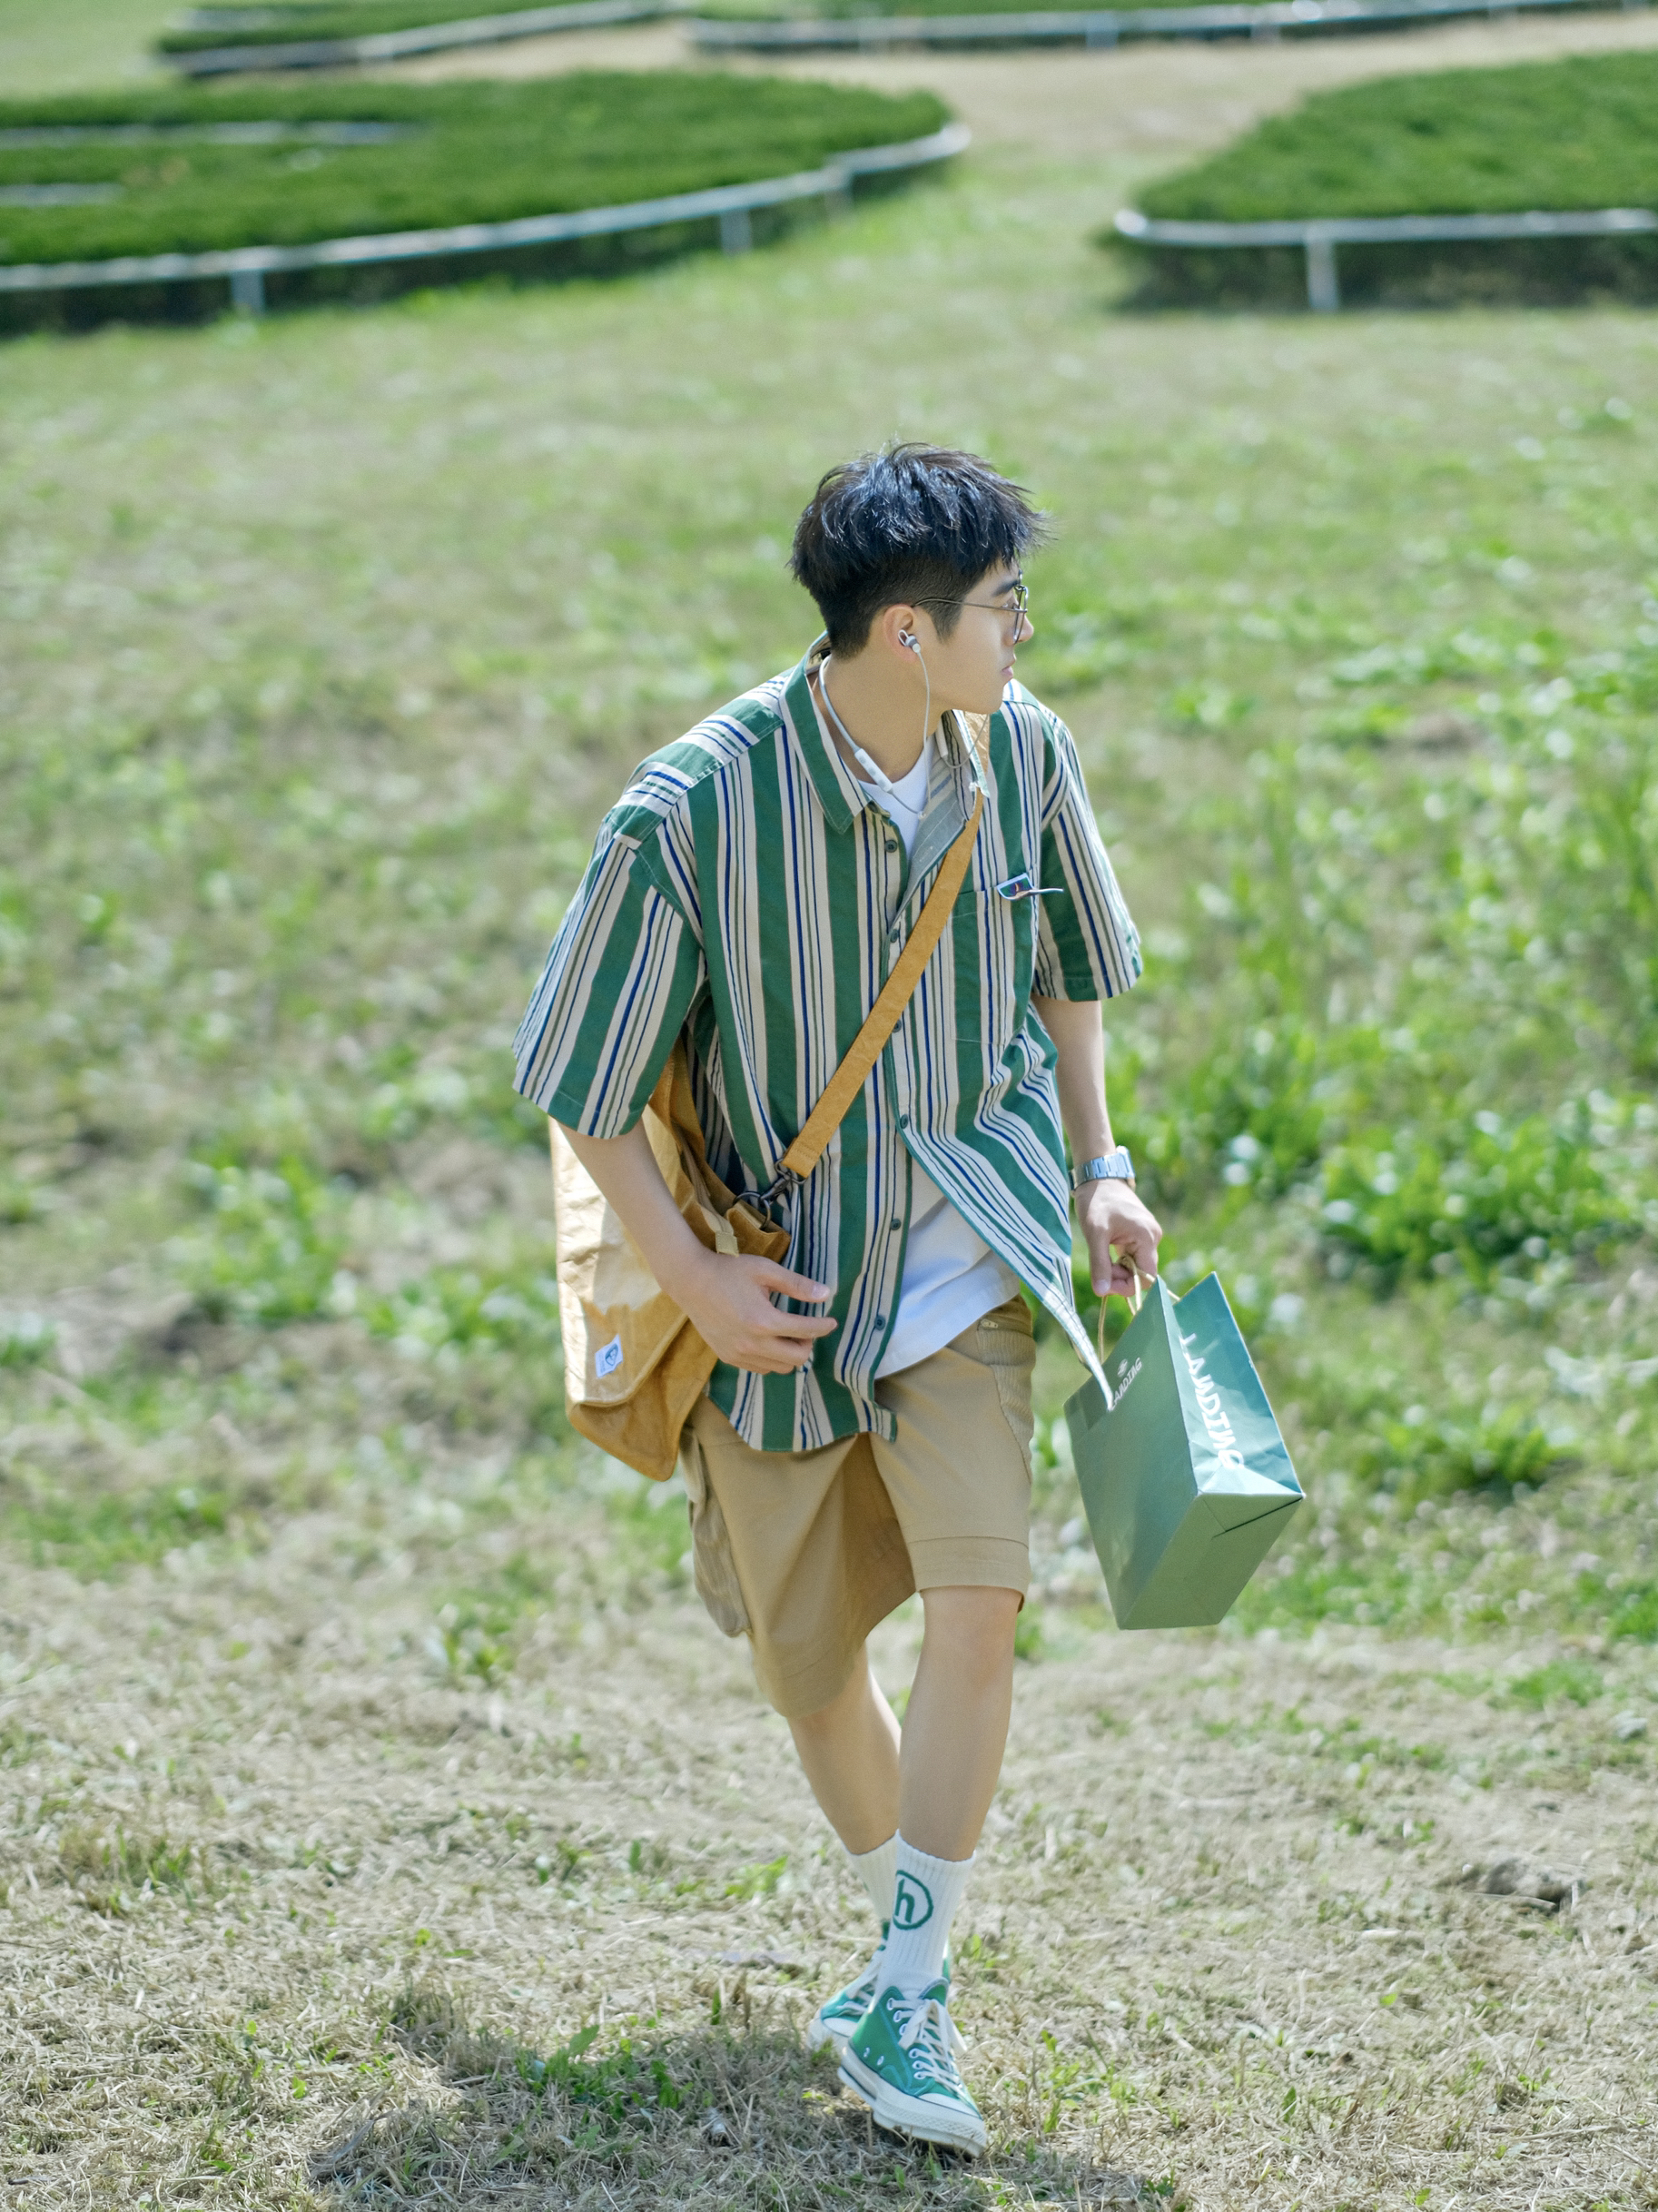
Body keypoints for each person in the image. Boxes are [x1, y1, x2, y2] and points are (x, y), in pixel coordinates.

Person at [513, 444, 1161, 2156]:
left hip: (968, 1249)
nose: (1023, 633)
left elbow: (1070, 975)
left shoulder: (1022, 755)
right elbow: (581, 1081)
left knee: (978, 1602)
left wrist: (1097, 1164)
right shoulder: (690, 808)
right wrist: (698, 1284)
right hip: (778, 1283)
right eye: (1003, 606)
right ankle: (898, 1953)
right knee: (807, 1666)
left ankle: (913, 1990)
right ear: (904, 632)